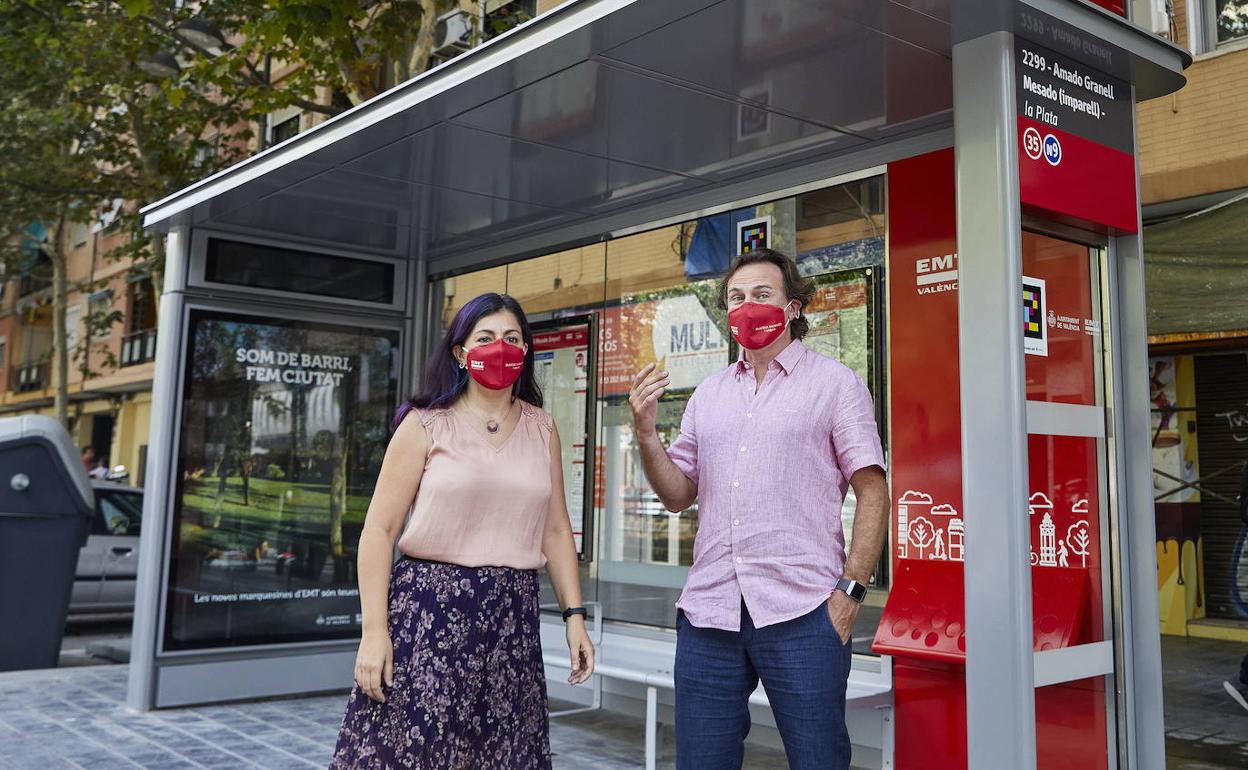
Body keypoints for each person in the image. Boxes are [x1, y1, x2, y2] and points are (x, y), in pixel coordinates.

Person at [629, 248, 889, 770]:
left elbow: (874, 492)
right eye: (736, 298)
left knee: (819, 760)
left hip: (804, 612)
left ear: (793, 307)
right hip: (710, 612)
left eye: (762, 295)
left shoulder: (836, 385)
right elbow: (678, 494)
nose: (748, 306)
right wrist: (644, 430)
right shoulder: (709, 394)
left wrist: (850, 596)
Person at [331, 292, 595, 770]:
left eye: (512, 338)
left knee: (503, 755)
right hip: (429, 614)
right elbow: (379, 529)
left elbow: (556, 529)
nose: (501, 347)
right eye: (486, 337)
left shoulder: (543, 428)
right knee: (417, 753)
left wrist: (574, 615)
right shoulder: (425, 425)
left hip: (512, 617)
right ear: (460, 352)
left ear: (527, 350)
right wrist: (374, 632)